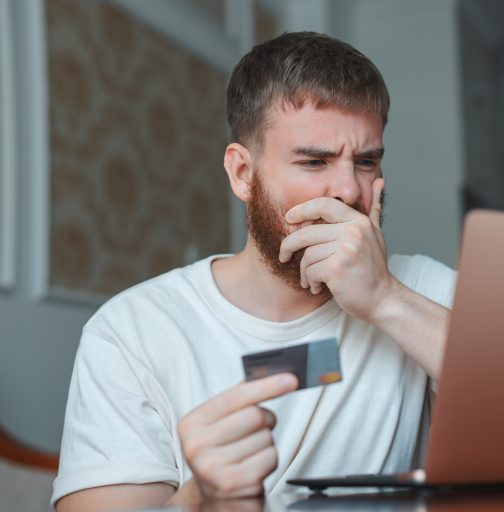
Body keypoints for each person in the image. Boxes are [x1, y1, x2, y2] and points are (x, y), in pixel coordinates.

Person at [53, 31, 455, 511]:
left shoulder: (422, 290)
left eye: (366, 162)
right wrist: (201, 498)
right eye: (314, 161)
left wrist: (385, 300)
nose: (350, 190)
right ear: (242, 174)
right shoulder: (132, 331)